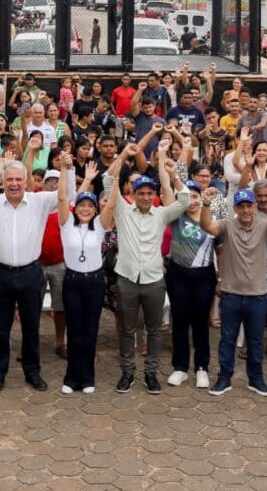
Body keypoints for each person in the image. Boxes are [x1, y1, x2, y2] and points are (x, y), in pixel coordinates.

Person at [0, 150, 74, 393]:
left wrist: (68, 169)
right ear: (3, 181)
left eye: (18, 179)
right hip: (0, 273)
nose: (14, 184)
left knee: (31, 326)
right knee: (0, 327)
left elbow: (68, 195)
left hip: (31, 273)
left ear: (26, 181)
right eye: (9, 179)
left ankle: (32, 372)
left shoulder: (40, 200)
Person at [200, 185, 267, 396]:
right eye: (241, 206)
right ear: (235, 207)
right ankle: (224, 379)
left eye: (249, 205)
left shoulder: (264, 225)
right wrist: (206, 203)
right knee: (227, 339)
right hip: (231, 293)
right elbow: (207, 225)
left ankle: (256, 379)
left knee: (255, 341)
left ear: (255, 206)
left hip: (257, 295)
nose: (245, 210)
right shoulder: (227, 225)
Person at [108, 141, 189, 395]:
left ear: (153, 196)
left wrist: (174, 176)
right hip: (127, 278)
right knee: (127, 329)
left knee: (154, 330)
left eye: (148, 194)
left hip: (154, 279)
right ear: (132, 193)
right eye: (140, 193)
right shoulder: (122, 210)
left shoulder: (161, 213)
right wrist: (123, 155)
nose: (144, 197)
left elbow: (184, 200)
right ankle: (128, 372)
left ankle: (151, 373)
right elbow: (107, 180)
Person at [57, 152, 116, 394]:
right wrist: (64, 169)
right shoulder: (66, 224)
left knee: (90, 330)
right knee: (74, 329)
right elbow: (62, 197)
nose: (85, 209)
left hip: (94, 282)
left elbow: (111, 203)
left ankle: (88, 378)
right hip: (72, 281)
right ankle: (72, 378)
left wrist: (115, 170)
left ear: (94, 210)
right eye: (81, 205)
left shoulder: (101, 226)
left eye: (90, 206)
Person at [164, 178, 216, 391]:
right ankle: (180, 367)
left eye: (196, 196)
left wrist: (220, 279)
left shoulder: (210, 219)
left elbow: (220, 250)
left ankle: (202, 367)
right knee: (180, 320)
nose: (192, 201)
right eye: (188, 196)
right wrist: (168, 170)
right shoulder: (176, 217)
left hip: (204, 276)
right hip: (178, 275)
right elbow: (167, 190)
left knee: (200, 322)